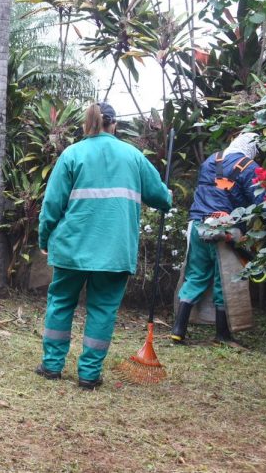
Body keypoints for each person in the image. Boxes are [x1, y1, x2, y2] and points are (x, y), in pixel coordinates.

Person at [35, 102, 172, 390]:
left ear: (86, 124)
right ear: (115, 124)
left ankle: (51, 365)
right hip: (114, 251)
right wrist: (167, 196)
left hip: (72, 247)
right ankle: (89, 374)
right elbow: (161, 197)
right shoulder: (133, 156)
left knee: (61, 303)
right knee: (103, 310)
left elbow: (52, 204)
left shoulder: (72, 154)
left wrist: (44, 237)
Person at [170, 132, 261, 345]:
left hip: (197, 225)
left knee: (196, 275)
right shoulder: (250, 167)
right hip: (226, 229)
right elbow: (261, 202)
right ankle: (222, 335)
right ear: (252, 149)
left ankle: (178, 329)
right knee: (225, 280)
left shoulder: (211, 160)